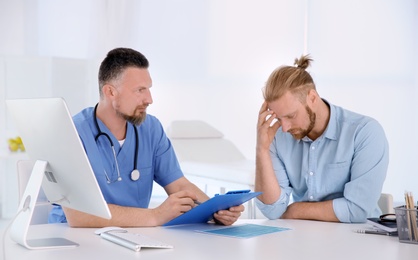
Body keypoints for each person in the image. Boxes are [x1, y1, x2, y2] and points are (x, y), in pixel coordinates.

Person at [48, 47, 244, 227]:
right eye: (140, 90)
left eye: (148, 89)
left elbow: (178, 184)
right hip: (74, 238)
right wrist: (156, 215)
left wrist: (214, 210)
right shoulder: (72, 132)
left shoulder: (150, 128)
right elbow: (79, 215)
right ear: (110, 91)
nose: (149, 99)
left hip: (133, 235)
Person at [255, 54, 389, 223]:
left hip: (357, 239)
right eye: (279, 118)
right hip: (302, 239)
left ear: (312, 98)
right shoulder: (278, 136)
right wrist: (262, 149)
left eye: (291, 116)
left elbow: (358, 210)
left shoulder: (365, 132)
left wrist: (295, 209)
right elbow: (273, 210)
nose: (285, 127)